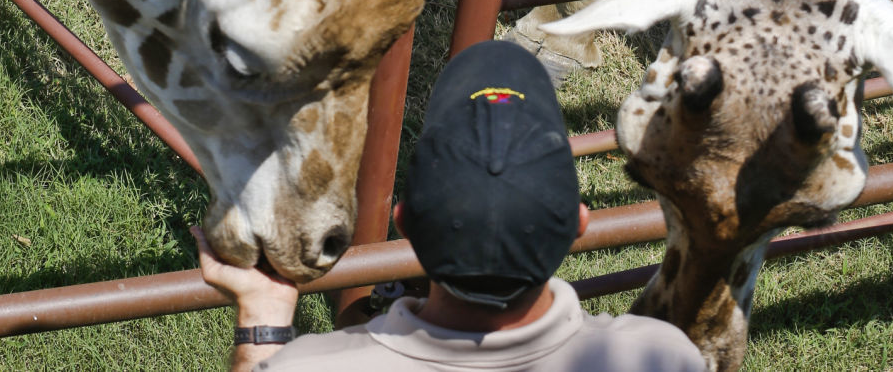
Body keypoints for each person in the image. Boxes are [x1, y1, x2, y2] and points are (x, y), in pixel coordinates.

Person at [194, 41, 704, 369]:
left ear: (404, 221)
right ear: (579, 224)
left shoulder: (312, 367)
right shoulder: (660, 358)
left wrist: (263, 316)